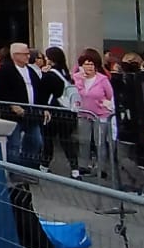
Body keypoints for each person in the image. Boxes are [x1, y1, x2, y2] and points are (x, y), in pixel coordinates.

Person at [0, 42, 49, 168]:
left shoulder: (31, 71)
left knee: (36, 141)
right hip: (13, 114)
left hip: (32, 113)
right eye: (25, 54)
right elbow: (1, 91)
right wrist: (12, 105)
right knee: (14, 144)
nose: (28, 57)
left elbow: (39, 90)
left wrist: (44, 107)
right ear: (15, 55)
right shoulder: (5, 70)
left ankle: (29, 169)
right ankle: (14, 171)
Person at [39, 46, 81, 178]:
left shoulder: (49, 75)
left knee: (48, 140)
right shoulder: (66, 73)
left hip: (53, 110)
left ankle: (44, 166)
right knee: (66, 140)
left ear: (50, 59)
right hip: (68, 111)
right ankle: (75, 169)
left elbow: (43, 94)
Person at [73, 49, 115, 178]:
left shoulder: (102, 79)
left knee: (100, 142)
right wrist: (81, 79)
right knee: (84, 141)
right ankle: (83, 166)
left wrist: (103, 104)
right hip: (84, 114)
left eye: (91, 64)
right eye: (86, 64)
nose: (89, 67)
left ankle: (100, 168)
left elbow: (109, 94)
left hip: (100, 115)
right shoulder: (77, 77)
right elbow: (78, 92)